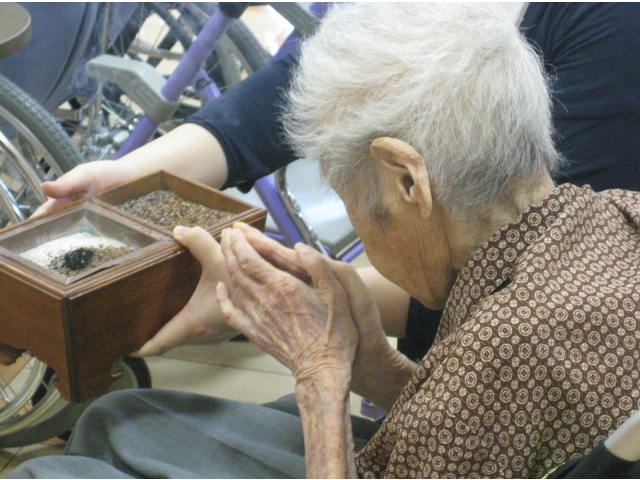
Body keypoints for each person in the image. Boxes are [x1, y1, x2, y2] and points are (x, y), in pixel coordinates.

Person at [9, 3, 640, 478]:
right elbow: (481, 423)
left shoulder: (502, 346)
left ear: (407, 182)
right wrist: (371, 365)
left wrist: (319, 378)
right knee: (115, 418)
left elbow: (477, 401)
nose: (355, 222)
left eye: (346, 198)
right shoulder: (614, 216)